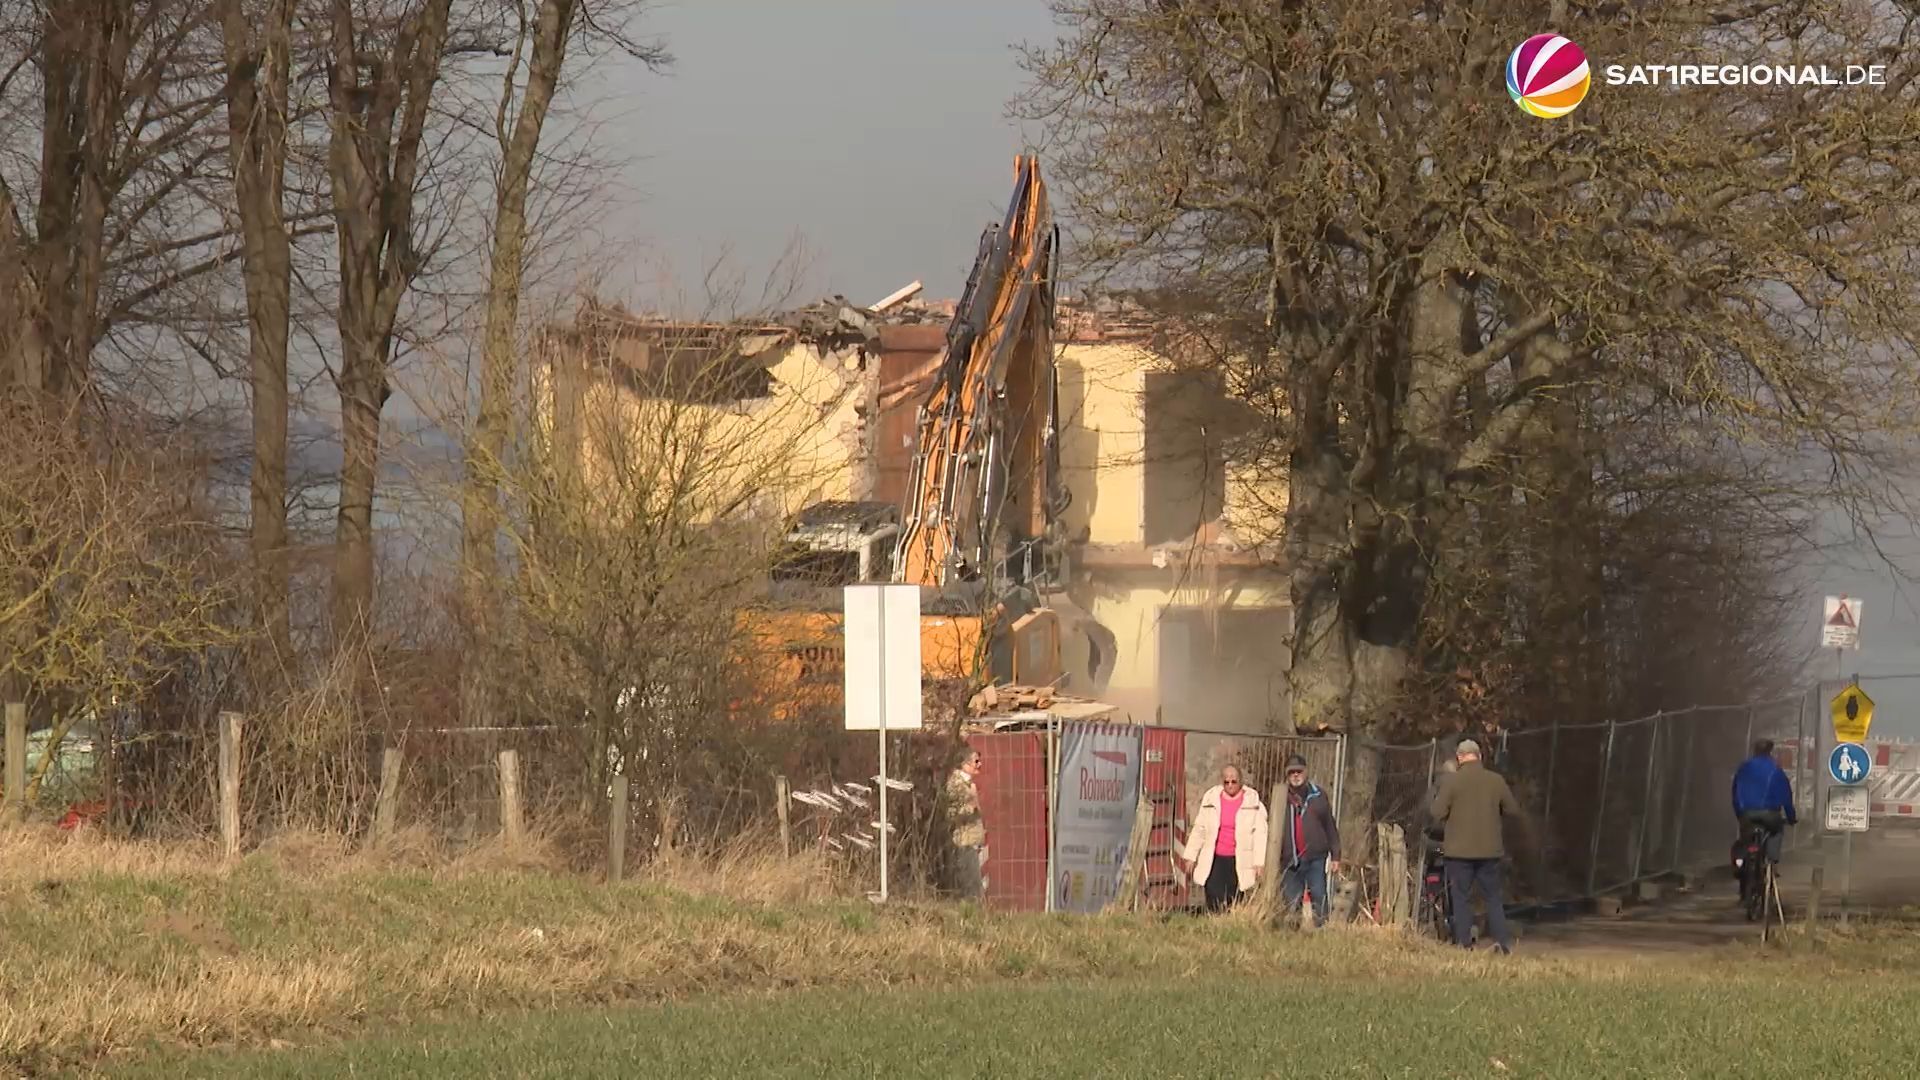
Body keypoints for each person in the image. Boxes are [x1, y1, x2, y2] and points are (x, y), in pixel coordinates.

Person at [1429, 738, 1520, 954]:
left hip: (1458, 851)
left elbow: (1436, 812)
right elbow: (1513, 810)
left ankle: (1464, 944)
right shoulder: (1496, 781)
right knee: (1492, 897)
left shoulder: (1452, 782)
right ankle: (1502, 943)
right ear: (1479, 756)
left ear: (1460, 758)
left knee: (1461, 897)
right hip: (1489, 851)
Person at [1180, 765, 1268, 912]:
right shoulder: (1211, 800)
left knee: (1234, 900)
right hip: (1214, 858)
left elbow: (1260, 834)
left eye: (1234, 781)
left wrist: (1259, 862)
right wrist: (1191, 856)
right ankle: (1214, 925)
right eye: (1226, 782)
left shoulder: (1253, 803)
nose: (1230, 785)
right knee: (1213, 895)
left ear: (1240, 781)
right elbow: (1199, 829)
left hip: (1239, 859)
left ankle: (1229, 926)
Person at [1278, 754, 1340, 928]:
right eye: (1291, 773)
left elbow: (1330, 825)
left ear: (1306, 772)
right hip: (1290, 860)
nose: (1295, 776)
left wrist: (1336, 854)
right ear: (1286, 775)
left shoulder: (1318, 796)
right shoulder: (1281, 797)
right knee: (1291, 901)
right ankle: (1292, 935)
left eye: (1299, 772)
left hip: (1315, 858)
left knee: (1319, 896)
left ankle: (1321, 932)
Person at [1731, 738, 1797, 865]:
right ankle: (1771, 864)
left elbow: (1735, 792)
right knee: (1776, 831)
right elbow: (1786, 796)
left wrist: (1739, 813)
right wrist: (1791, 817)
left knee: (1745, 838)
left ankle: (1741, 864)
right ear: (1770, 751)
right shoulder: (1775, 770)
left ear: (1755, 750)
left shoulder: (1744, 768)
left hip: (1747, 813)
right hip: (1770, 814)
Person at [945, 746, 987, 899]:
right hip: (964, 842)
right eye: (976, 761)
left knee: (975, 887)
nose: (979, 764)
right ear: (964, 764)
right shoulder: (956, 785)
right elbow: (950, 813)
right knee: (970, 888)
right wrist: (971, 808)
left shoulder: (969, 784)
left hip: (972, 842)